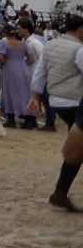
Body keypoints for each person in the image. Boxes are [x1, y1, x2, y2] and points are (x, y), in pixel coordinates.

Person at [29, 12, 82, 211]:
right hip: (77, 101)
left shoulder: (50, 45)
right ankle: (60, 193)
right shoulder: (79, 49)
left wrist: (35, 95)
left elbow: (40, 72)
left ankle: (60, 192)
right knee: (77, 148)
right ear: (80, 30)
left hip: (57, 101)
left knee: (76, 148)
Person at [0, 22, 37, 129]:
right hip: (24, 69)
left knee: (9, 93)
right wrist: (22, 64)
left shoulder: (3, 42)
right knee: (25, 94)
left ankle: (11, 119)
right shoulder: (24, 43)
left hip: (10, 69)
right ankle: (29, 120)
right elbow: (32, 59)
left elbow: (0, 58)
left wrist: (2, 64)